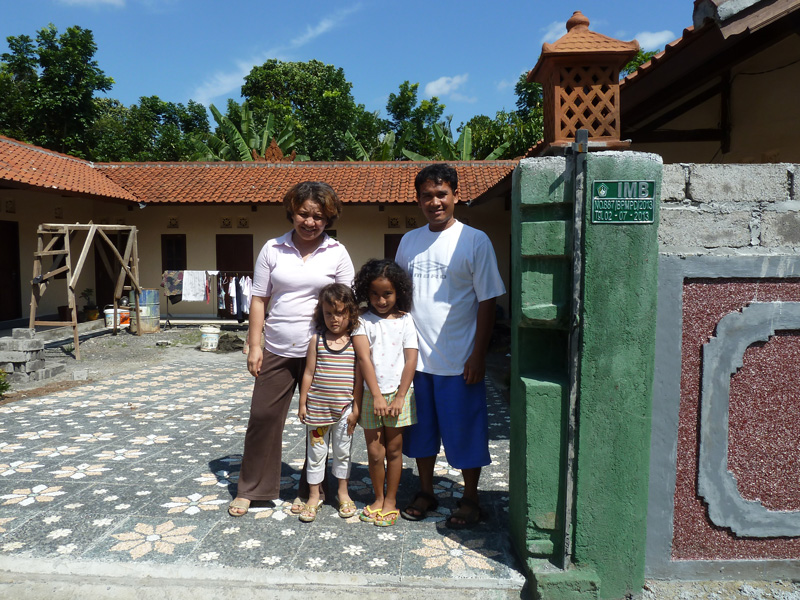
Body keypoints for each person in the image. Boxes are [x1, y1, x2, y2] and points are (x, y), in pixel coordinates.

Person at [228, 181, 355, 517]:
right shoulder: (273, 248)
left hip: (325, 351)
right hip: (278, 347)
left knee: (322, 422)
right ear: (292, 213)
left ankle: (311, 490)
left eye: (319, 216)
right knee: (263, 417)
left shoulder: (337, 253)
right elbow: (259, 299)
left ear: (328, 218)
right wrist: (255, 344)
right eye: (304, 214)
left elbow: (347, 304)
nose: (310, 222)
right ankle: (252, 488)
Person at [395, 163, 506, 529]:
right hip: (417, 361)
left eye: (442, 194)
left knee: (466, 432)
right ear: (418, 199)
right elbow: (398, 296)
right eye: (427, 195)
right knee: (421, 433)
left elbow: (488, 300)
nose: (434, 202)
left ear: (456, 196)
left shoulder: (474, 240)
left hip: (460, 361)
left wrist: (478, 354)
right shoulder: (409, 241)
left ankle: (470, 497)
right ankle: (426, 491)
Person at [352, 259, 418, 527]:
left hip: (400, 395)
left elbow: (411, 359)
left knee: (394, 449)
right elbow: (364, 359)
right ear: (366, 293)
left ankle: (391, 500)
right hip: (372, 396)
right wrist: (377, 395)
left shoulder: (406, 320)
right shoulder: (361, 321)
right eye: (375, 294)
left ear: (398, 291)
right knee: (375, 451)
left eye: (387, 294)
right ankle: (377, 497)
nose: (381, 300)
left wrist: (401, 396)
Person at [297, 284, 361, 522]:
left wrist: (355, 408)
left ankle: (343, 493)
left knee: (342, 452)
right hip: (317, 410)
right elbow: (308, 372)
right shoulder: (317, 340)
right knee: (316, 454)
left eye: (341, 313)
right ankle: (314, 495)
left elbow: (358, 377)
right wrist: (302, 403)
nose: (335, 319)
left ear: (350, 313)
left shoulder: (355, 342)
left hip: (345, 410)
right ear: (321, 314)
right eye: (329, 313)